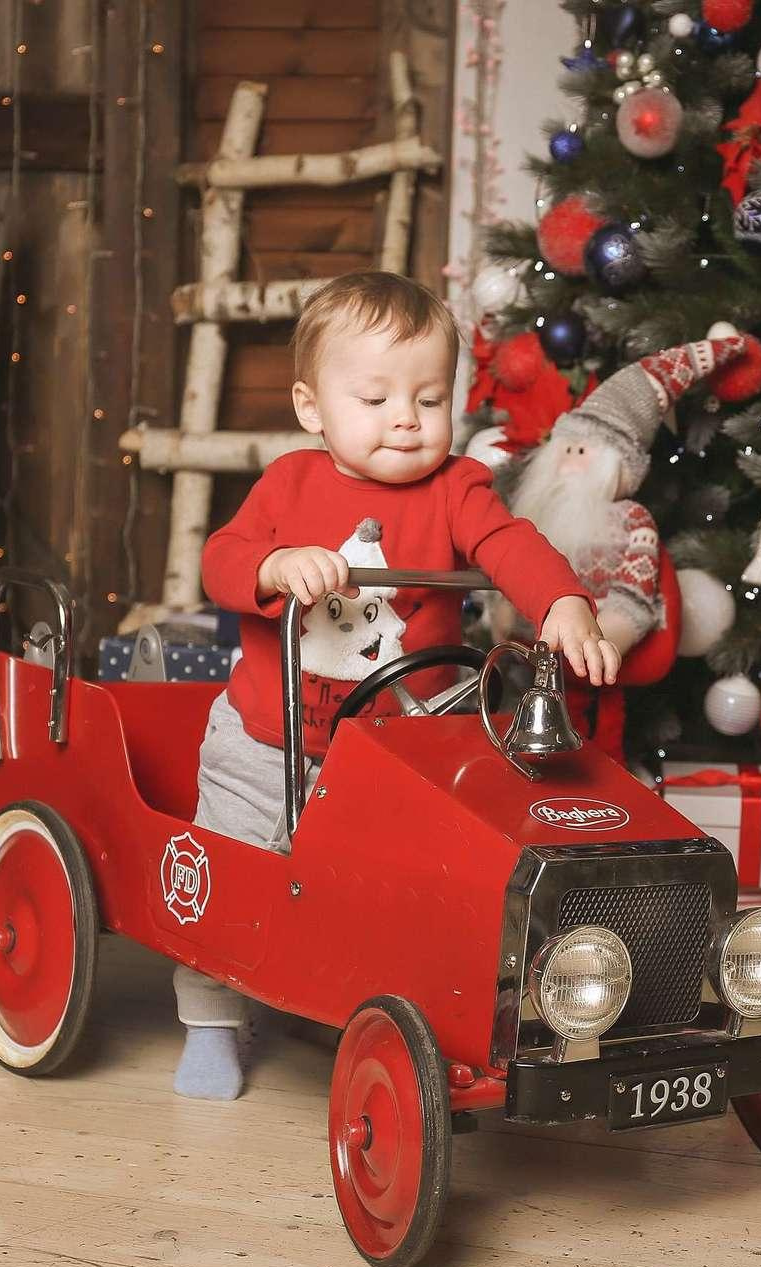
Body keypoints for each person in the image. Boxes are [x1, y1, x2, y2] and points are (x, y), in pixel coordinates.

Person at [172, 270, 620, 1099]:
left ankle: (382, 1003)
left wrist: (562, 603)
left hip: (395, 750)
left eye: (427, 397)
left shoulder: (455, 488)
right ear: (313, 408)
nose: (407, 419)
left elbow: (510, 543)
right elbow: (221, 562)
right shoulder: (289, 485)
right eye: (375, 400)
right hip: (272, 743)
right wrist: (274, 565)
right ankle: (211, 1026)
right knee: (229, 874)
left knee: (395, 882)